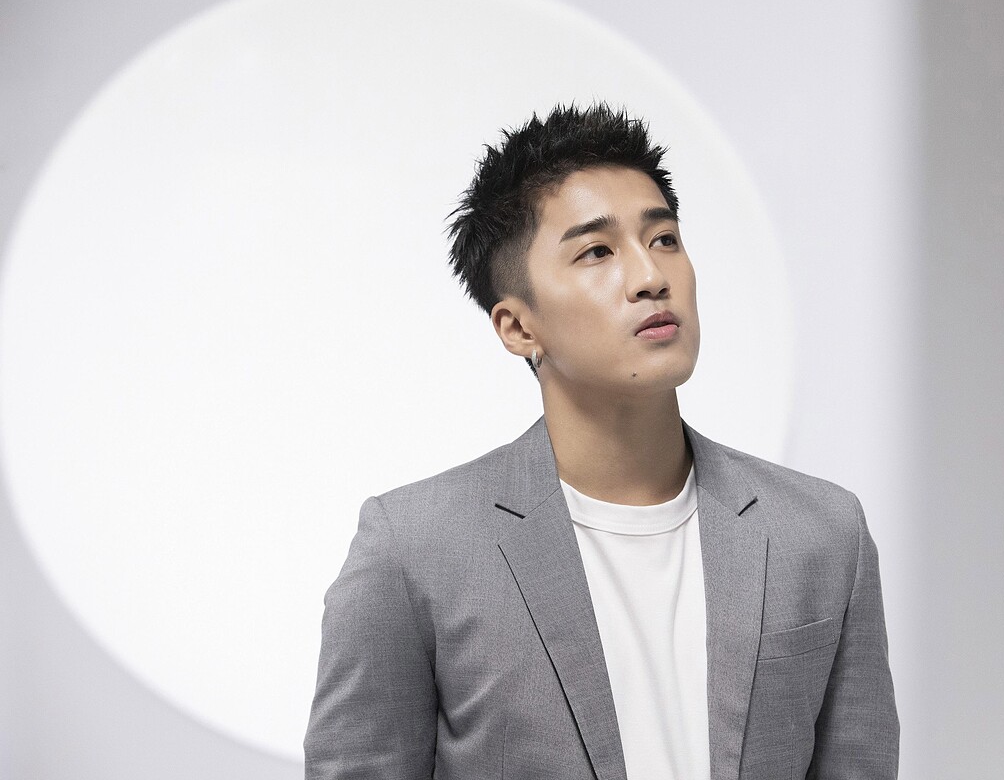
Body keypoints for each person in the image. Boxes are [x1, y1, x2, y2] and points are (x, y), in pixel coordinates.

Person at [304, 103, 899, 779]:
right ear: (518, 327)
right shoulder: (414, 549)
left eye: (665, 239)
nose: (651, 276)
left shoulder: (821, 533)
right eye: (597, 252)